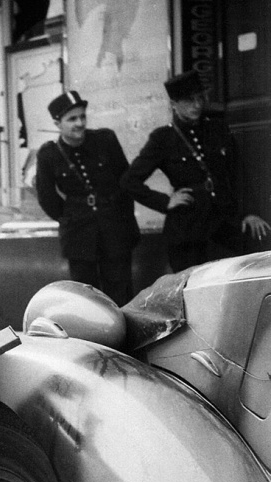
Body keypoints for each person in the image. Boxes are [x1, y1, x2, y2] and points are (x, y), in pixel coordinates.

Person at [121, 70, 270, 272]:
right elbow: (129, 181)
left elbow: (239, 174)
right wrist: (166, 202)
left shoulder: (218, 129)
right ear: (173, 104)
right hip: (187, 232)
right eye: (189, 101)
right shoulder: (163, 138)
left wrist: (250, 212)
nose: (197, 105)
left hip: (225, 226)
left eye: (200, 98)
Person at [35, 90, 140, 305]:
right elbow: (47, 197)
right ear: (58, 123)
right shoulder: (49, 154)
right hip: (79, 235)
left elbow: (125, 182)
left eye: (82, 116)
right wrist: (70, 216)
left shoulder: (105, 140)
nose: (80, 123)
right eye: (72, 119)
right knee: (87, 297)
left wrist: (126, 223)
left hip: (114, 228)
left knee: (120, 291)